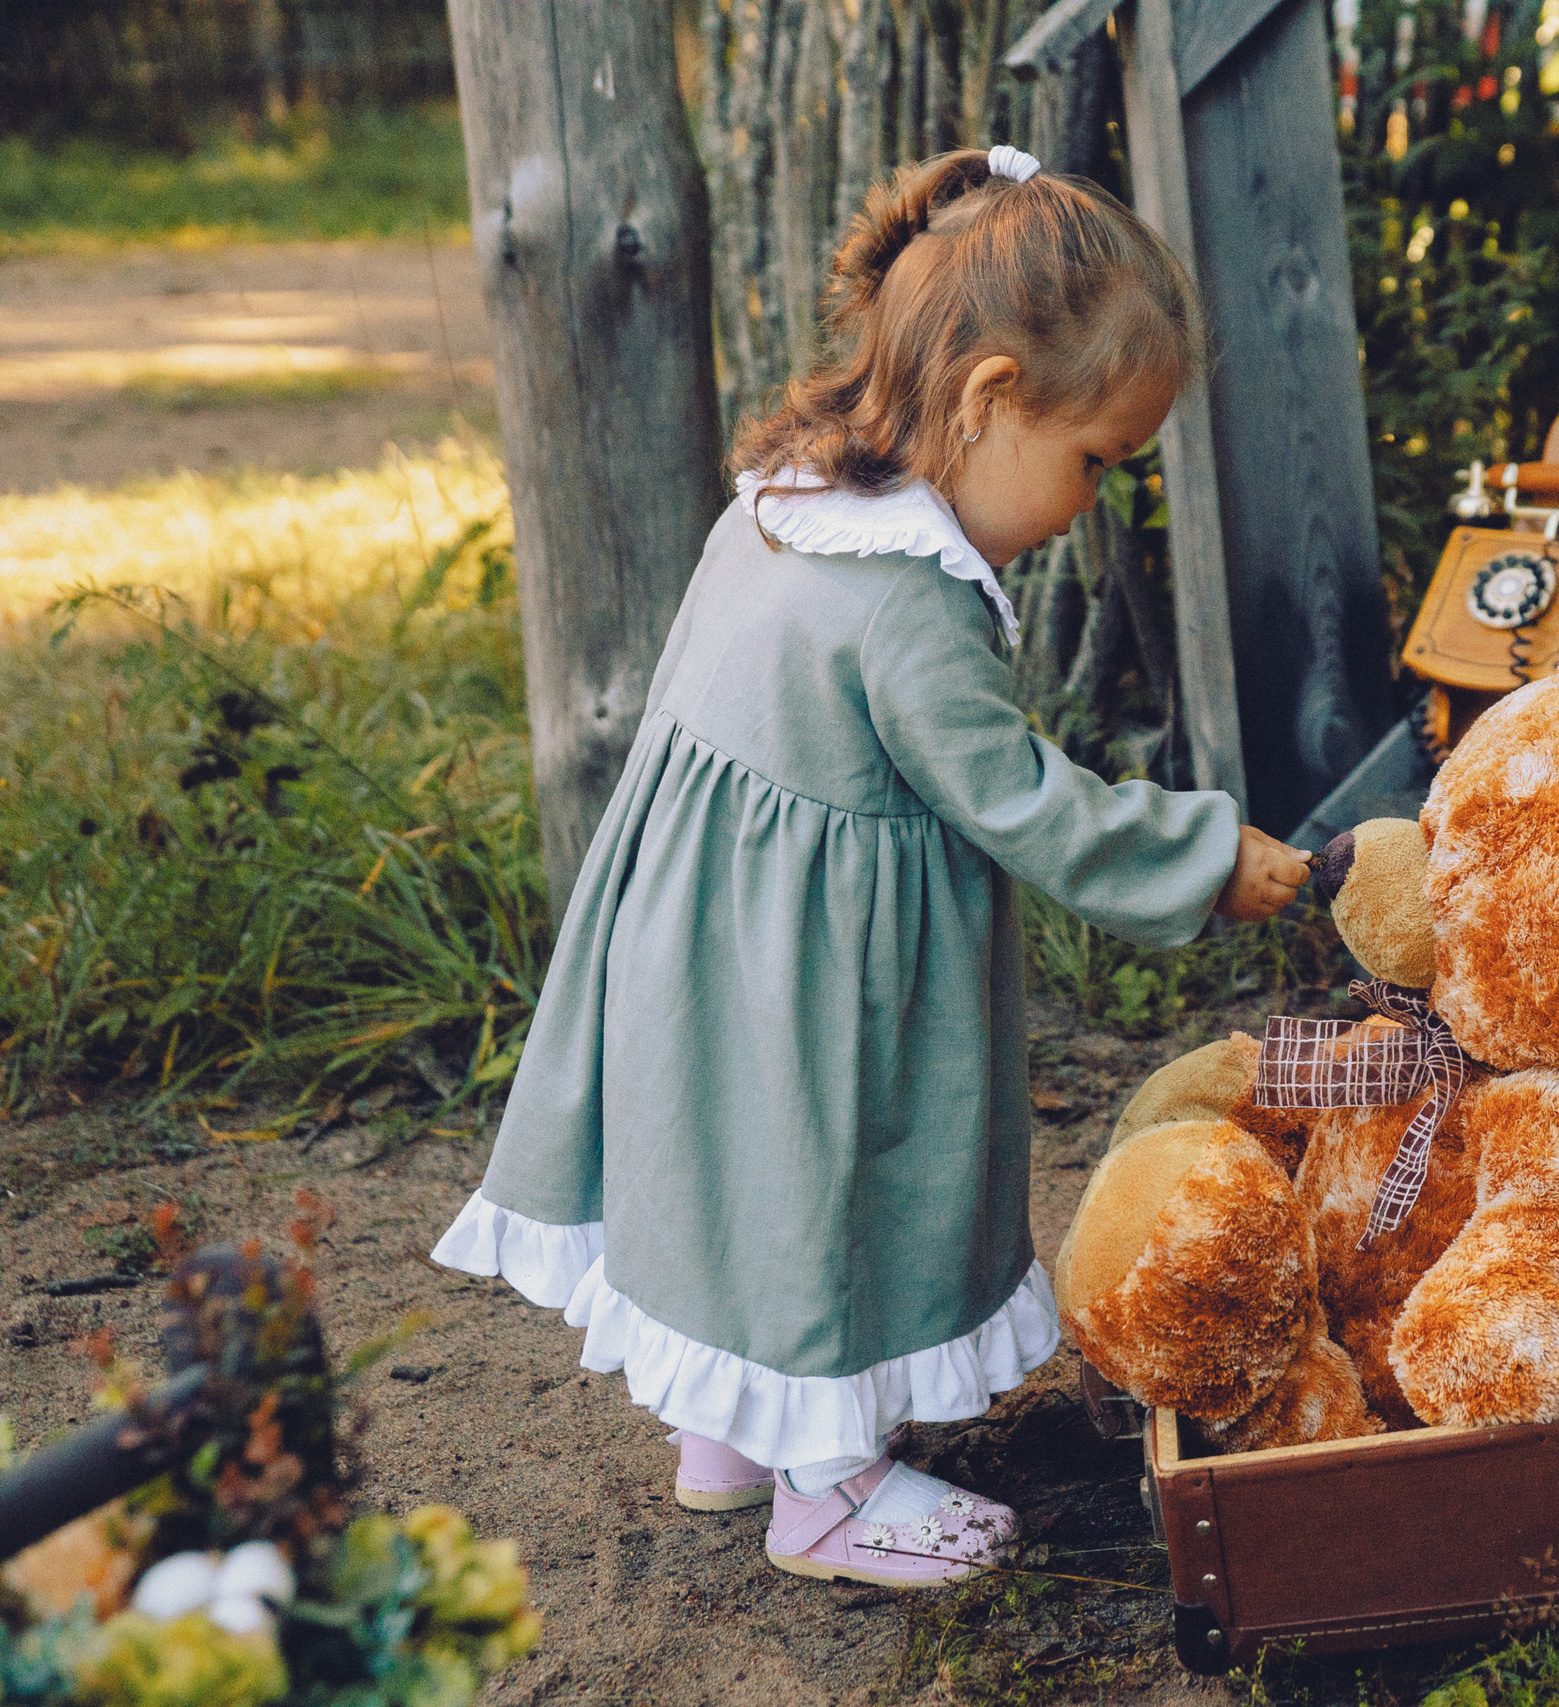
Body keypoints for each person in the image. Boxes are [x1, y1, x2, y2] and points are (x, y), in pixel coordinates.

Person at [431, 144, 1310, 1589]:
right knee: (831, 1177)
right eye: (1093, 461)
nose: (1094, 500)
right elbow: (1024, 803)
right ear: (989, 398)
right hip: (819, 978)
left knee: (734, 1178)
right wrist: (1205, 857)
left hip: (706, 934)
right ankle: (827, 1490)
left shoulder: (784, 502)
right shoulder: (909, 604)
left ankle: (733, 1430)